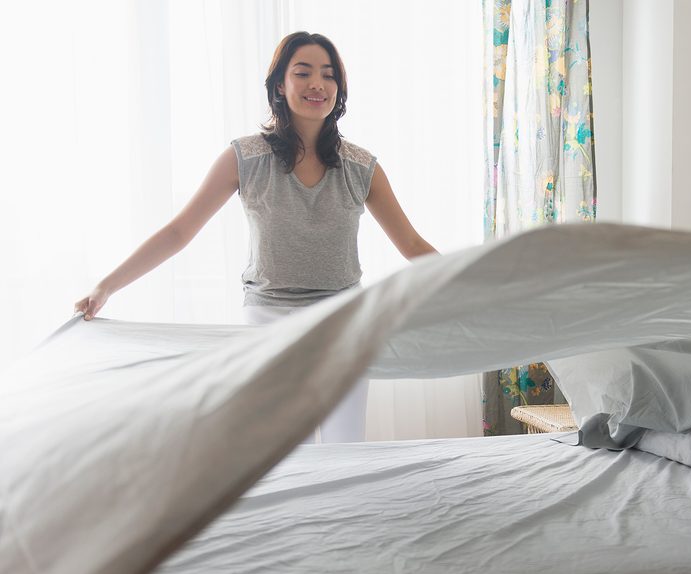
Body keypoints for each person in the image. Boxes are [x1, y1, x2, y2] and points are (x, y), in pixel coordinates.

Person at [74, 31, 437, 443]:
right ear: (280, 85)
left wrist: (477, 283)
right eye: (303, 72)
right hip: (269, 318)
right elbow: (179, 231)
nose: (317, 84)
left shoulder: (361, 166)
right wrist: (107, 286)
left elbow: (412, 244)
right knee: (281, 449)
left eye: (328, 75)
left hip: (345, 319)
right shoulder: (245, 157)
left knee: (345, 445)